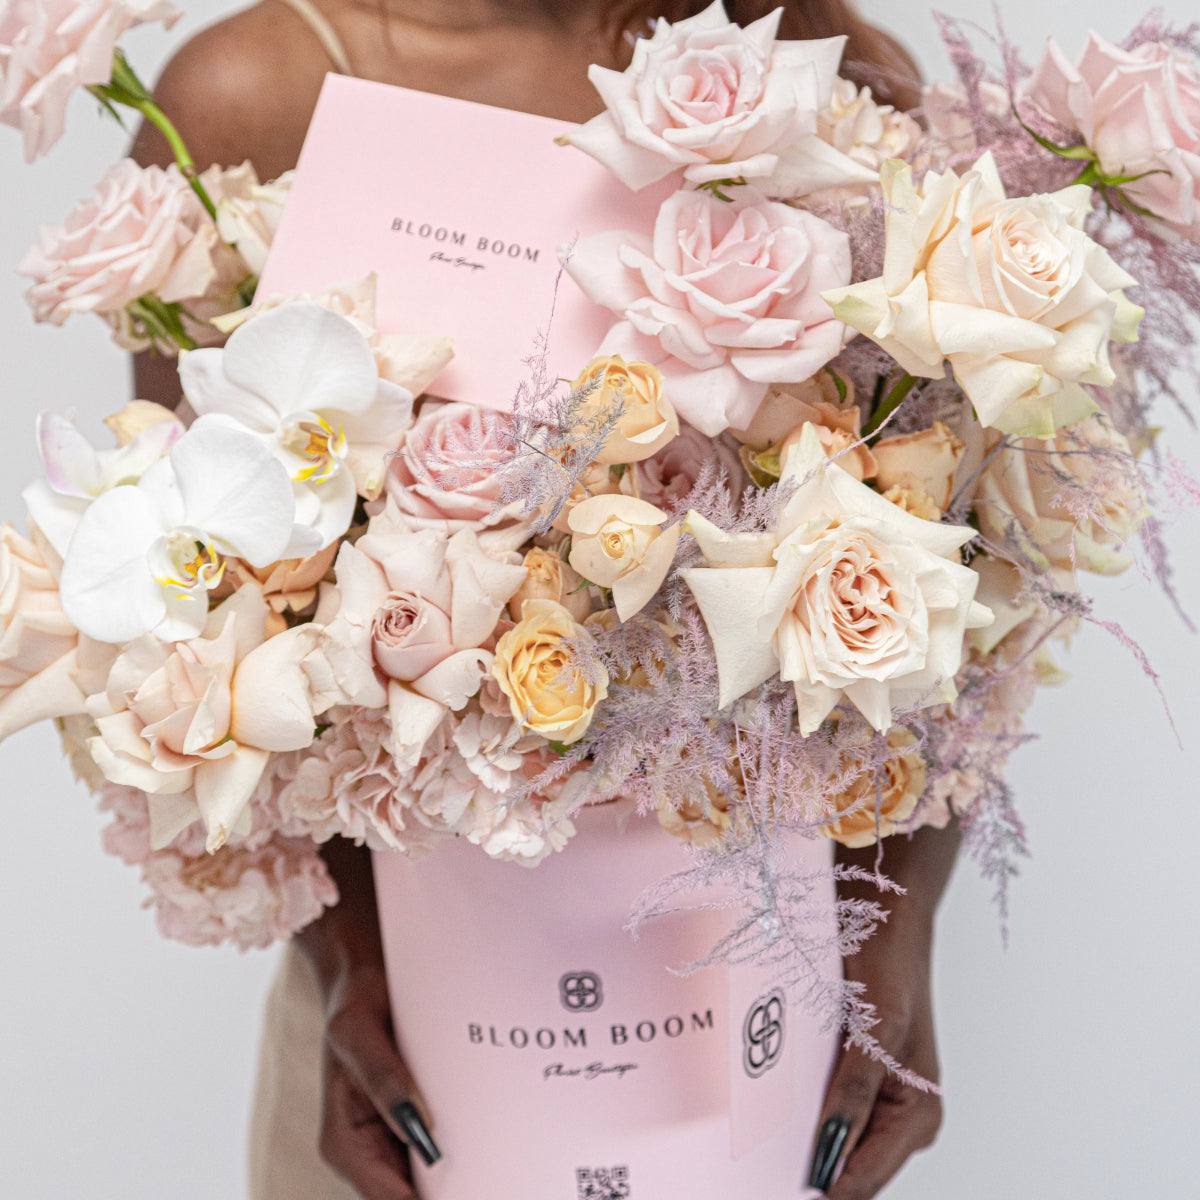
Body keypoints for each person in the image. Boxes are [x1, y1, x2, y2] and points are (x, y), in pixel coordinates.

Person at [130, 4, 957, 1198]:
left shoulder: (824, 68)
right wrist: (353, 964)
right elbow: (197, 619)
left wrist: (899, 939)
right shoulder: (254, 89)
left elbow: (955, 587)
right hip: (407, 1069)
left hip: (752, 1064)